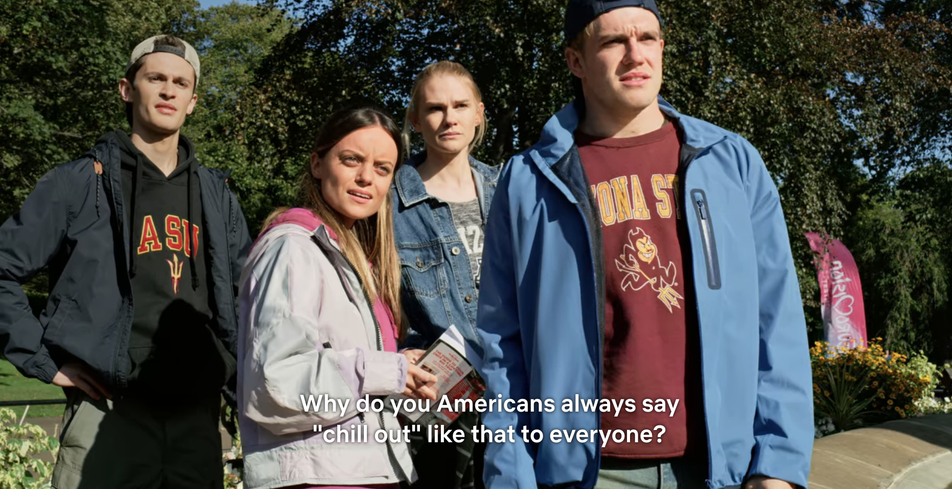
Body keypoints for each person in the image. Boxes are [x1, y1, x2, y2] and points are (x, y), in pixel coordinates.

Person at [476, 1, 814, 488]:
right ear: (576, 61)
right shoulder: (528, 181)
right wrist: (510, 475)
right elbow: (501, 343)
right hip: (587, 474)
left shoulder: (730, 163)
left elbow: (777, 320)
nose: (636, 55)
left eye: (648, 38)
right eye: (614, 41)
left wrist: (777, 465)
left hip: (717, 468)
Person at [0, 35, 250, 488]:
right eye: (156, 78)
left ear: (193, 102)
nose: (168, 90)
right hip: (108, 415)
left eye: (180, 83)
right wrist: (40, 359)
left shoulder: (217, 196)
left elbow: (244, 298)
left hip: (196, 421)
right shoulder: (78, 185)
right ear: (127, 89)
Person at [237, 105, 438, 489]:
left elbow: (356, 391)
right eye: (351, 160)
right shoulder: (294, 249)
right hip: (318, 478)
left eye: (382, 168)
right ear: (317, 164)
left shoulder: (356, 260)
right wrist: (385, 370)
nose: (366, 178)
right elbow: (276, 384)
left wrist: (407, 377)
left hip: (367, 471)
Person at [392, 60, 499, 489]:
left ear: (479, 112)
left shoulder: (509, 188)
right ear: (416, 120)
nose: (449, 118)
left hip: (513, 390)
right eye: (435, 108)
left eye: (460, 105)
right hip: (437, 400)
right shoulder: (389, 203)